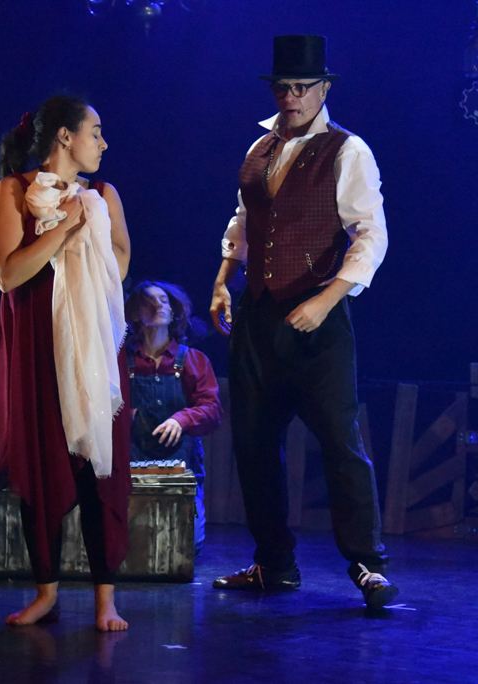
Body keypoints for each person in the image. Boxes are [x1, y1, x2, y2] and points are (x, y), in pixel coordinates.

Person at [209, 35, 396, 608]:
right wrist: (222, 278)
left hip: (319, 323)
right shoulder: (260, 147)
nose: (290, 97)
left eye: (301, 87)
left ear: (323, 89)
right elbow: (244, 219)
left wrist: (328, 298)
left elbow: (371, 234)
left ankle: (367, 563)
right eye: (282, 87)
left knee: (341, 442)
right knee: (255, 445)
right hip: (259, 320)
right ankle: (274, 563)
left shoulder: (347, 150)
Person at [0, 95, 133, 632]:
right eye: (95, 131)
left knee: (97, 468)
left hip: (95, 345)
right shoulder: (13, 191)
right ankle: (46, 592)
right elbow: (6, 275)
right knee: (41, 462)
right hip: (34, 346)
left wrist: (91, 245)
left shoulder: (104, 195)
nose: (103, 142)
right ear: (63, 137)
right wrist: (62, 232)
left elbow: (122, 261)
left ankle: (106, 599)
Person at [124, 281, 221, 556]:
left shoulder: (194, 360)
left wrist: (182, 419)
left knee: (186, 547)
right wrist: (124, 415)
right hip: (131, 473)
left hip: (181, 472)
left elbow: (212, 409)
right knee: (131, 548)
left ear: (175, 312)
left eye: (164, 300)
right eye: (149, 302)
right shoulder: (121, 361)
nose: (158, 306)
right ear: (134, 315)